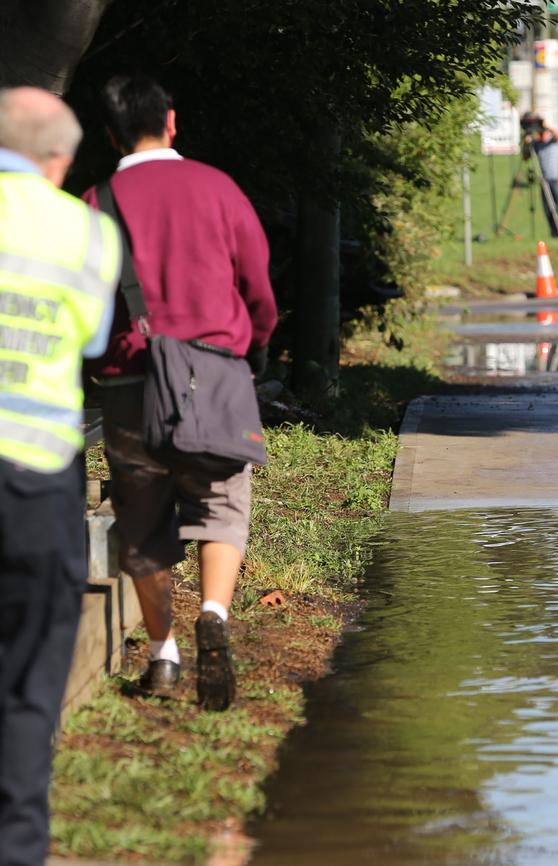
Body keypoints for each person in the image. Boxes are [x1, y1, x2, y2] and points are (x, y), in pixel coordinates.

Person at [83, 75, 278, 711]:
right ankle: (214, 614)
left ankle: (163, 656)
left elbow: (85, 302)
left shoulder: (97, 200)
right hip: (214, 372)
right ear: (172, 121)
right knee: (222, 500)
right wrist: (254, 345)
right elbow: (258, 285)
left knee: (141, 521)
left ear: (110, 133)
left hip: (130, 380)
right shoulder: (217, 188)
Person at [0, 88, 119, 866]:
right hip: (34, 483)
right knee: (29, 690)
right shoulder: (86, 233)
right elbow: (92, 339)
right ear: (62, 158)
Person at [523, 114, 558, 237]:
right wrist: (527, 144)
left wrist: (545, 126)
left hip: (557, 180)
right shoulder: (537, 145)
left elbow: (557, 134)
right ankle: (553, 232)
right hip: (544, 181)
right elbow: (526, 157)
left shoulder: (556, 142)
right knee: (548, 209)